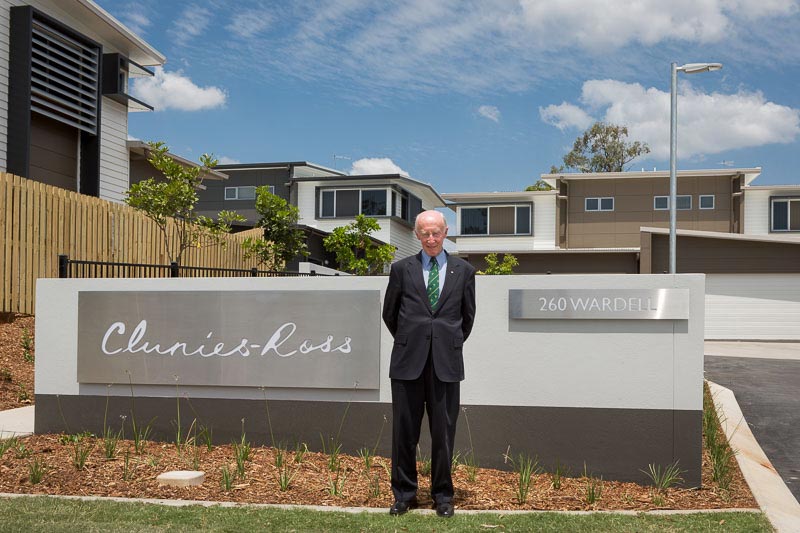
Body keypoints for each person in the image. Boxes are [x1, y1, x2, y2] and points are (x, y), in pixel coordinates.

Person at [382, 209, 477, 518]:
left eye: (436, 232)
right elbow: (390, 314)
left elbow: (467, 319)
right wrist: (413, 340)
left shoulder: (464, 271)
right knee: (404, 434)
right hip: (408, 364)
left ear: (446, 232)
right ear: (416, 235)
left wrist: (442, 344)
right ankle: (404, 495)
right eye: (425, 233)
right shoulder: (400, 270)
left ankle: (443, 496)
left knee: (443, 435)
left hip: (445, 365)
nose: (431, 238)